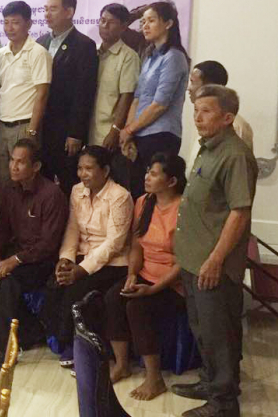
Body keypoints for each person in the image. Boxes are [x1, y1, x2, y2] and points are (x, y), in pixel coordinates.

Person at [172, 85, 258, 417]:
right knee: (203, 329)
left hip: (213, 263)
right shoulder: (209, 148)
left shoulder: (234, 155)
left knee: (219, 334)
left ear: (227, 117)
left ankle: (224, 403)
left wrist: (216, 259)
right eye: (195, 110)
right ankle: (210, 382)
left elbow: (239, 213)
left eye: (206, 111)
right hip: (194, 259)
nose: (197, 117)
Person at [0, 139, 68, 373]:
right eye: (12, 160)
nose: (13, 167)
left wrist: (13, 261)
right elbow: (3, 230)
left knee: (11, 281)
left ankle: (2, 350)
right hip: (17, 254)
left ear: (36, 166)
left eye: (20, 162)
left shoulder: (52, 194)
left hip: (43, 261)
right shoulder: (10, 189)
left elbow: (48, 245)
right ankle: (30, 331)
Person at [40, 146, 133, 367]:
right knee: (55, 282)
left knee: (77, 289)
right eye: (80, 168)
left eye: (89, 169)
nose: (83, 174)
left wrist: (81, 270)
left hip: (113, 262)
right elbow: (72, 229)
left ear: (105, 170)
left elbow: (115, 243)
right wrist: (66, 259)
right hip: (83, 255)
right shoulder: (77, 191)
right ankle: (60, 339)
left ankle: (79, 348)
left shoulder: (120, 196)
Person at [105, 152, 187, 400]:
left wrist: (152, 289)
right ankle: (122, 364)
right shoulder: (143, 202)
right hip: (145, 273)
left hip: (173, 283)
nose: (147, 177)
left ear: (172, 181)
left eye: (153, 174)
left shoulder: (184, 209)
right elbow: (136, 245)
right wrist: (132, 274)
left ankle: (154, 378)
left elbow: (184, 262)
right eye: (147, 172)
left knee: (137, 307)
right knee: (113, 297)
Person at [119, 1, 190, 199]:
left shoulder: (174, 57)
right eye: (143, 22)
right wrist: (128, 132)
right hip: (140, 134)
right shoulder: (150, 57)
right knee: (138, 193)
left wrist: (130, 130)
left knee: (156, 195)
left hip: (161, 135)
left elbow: (160, 104)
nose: (145, 26)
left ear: (168, 23)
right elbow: (137, 98)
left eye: (151, 21)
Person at [36, 0, 98, 194]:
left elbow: (84, 93)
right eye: (45, 9)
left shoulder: (84, 45)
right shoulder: (40, 42)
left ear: (69, 12)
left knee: (67, 182)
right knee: (41, 180)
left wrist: (75, 133)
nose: (47, 14)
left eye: (53, 9)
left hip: (65, 129)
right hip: (41, 125)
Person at [0, 1, 52, 202]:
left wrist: (32, 131)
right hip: (2, 127)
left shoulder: (38, 53)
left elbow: (42, 94)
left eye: (15, 22)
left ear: (29, 24)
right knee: (1, 181)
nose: (10, 28)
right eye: (6, 22)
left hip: (25, 126)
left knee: (25, 181)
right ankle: (3, 221)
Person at [89, 4, 141, 149]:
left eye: (111, 22)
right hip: (88, 130)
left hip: (108, 132)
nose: (105, 26)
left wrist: (115, 130)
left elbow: (127, 96)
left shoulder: (128, 56)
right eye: (102, 20)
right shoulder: (92, 52)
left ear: (123, 27)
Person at [187, 60, 254, 165]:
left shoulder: (235, 126)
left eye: (192, 82)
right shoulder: (203, 121)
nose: (188, 88)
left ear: (208, 86)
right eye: (196, 110)